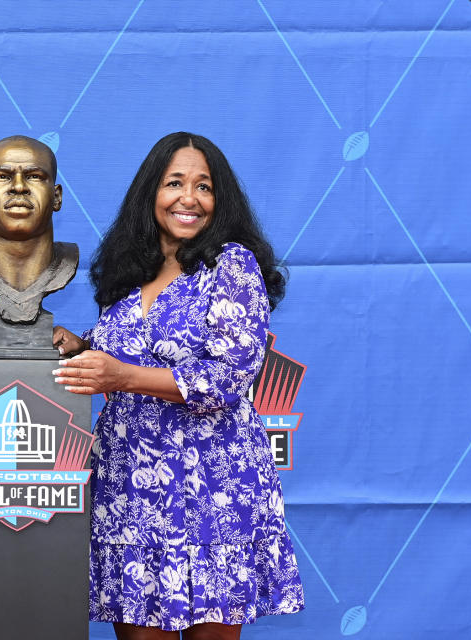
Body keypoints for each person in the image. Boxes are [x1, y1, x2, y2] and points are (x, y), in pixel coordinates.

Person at [53, 132, 304, 639]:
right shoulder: (129, 273)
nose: (188, 198)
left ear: (219, 199)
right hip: (130, 488)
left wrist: (120, 377)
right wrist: (77, 348)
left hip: (211, 488)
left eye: (203, 186)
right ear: (151, 193)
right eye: (174, 183)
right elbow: (119, 351)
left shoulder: (230, 265)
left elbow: (229, 377)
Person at [0, 135, 77, 325]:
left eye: (34, 176)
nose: (19, 186)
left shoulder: (68, 261)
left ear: (57, 197)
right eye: (3, 177)